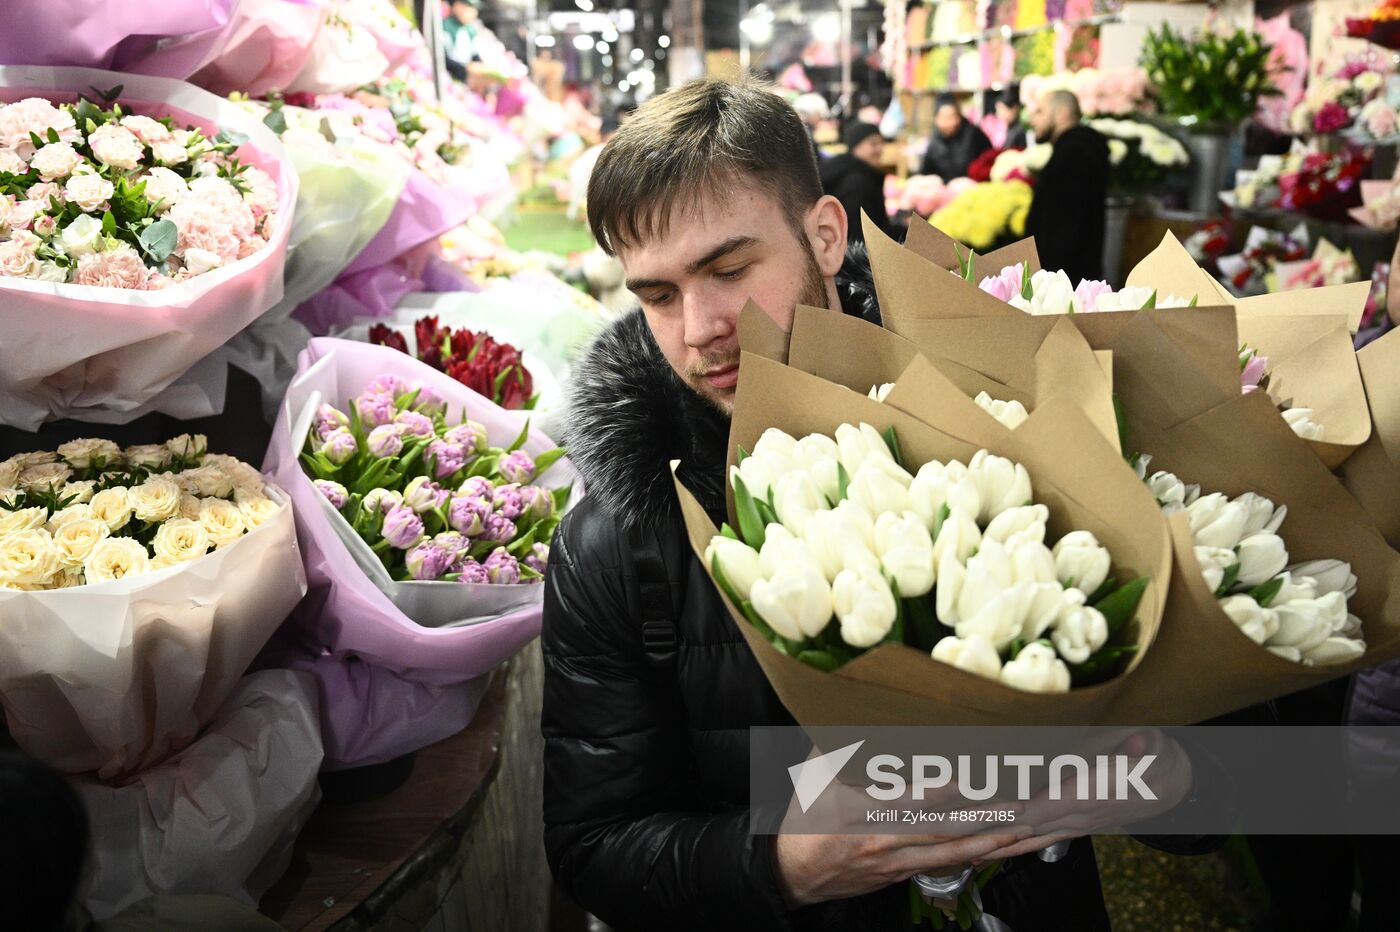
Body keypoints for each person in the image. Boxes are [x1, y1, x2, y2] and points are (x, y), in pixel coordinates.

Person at [541, 77, 1223, 931]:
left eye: (728, 269)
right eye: (658, 294)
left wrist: (1165, 779)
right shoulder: (618, 536)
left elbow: (1232, 770)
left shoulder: (1024, 416)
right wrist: (783, 865)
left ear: (826, 235)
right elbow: (591, 846)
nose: (700, 326)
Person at [1025, 89, 1110, 284]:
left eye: (1040, 111)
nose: (1032, 119)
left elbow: (1062, 227)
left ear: (1062, 113)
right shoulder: (1077, 149)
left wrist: (1047, 280)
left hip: (1064, 280)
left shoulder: (1074, 154)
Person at [819, 122, 895, 245]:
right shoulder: (857, 183)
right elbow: (863, 234)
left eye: (881, 143)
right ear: (856, 147)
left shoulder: (855, 173)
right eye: (873, 144)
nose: (880, 149)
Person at [919, 94, 991, 180]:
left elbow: (990, 159)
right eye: (945, 118)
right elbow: (925, 172)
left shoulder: (973, 134)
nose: (950, 122)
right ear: (936, 119)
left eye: (952, 116)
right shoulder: (934, 140)